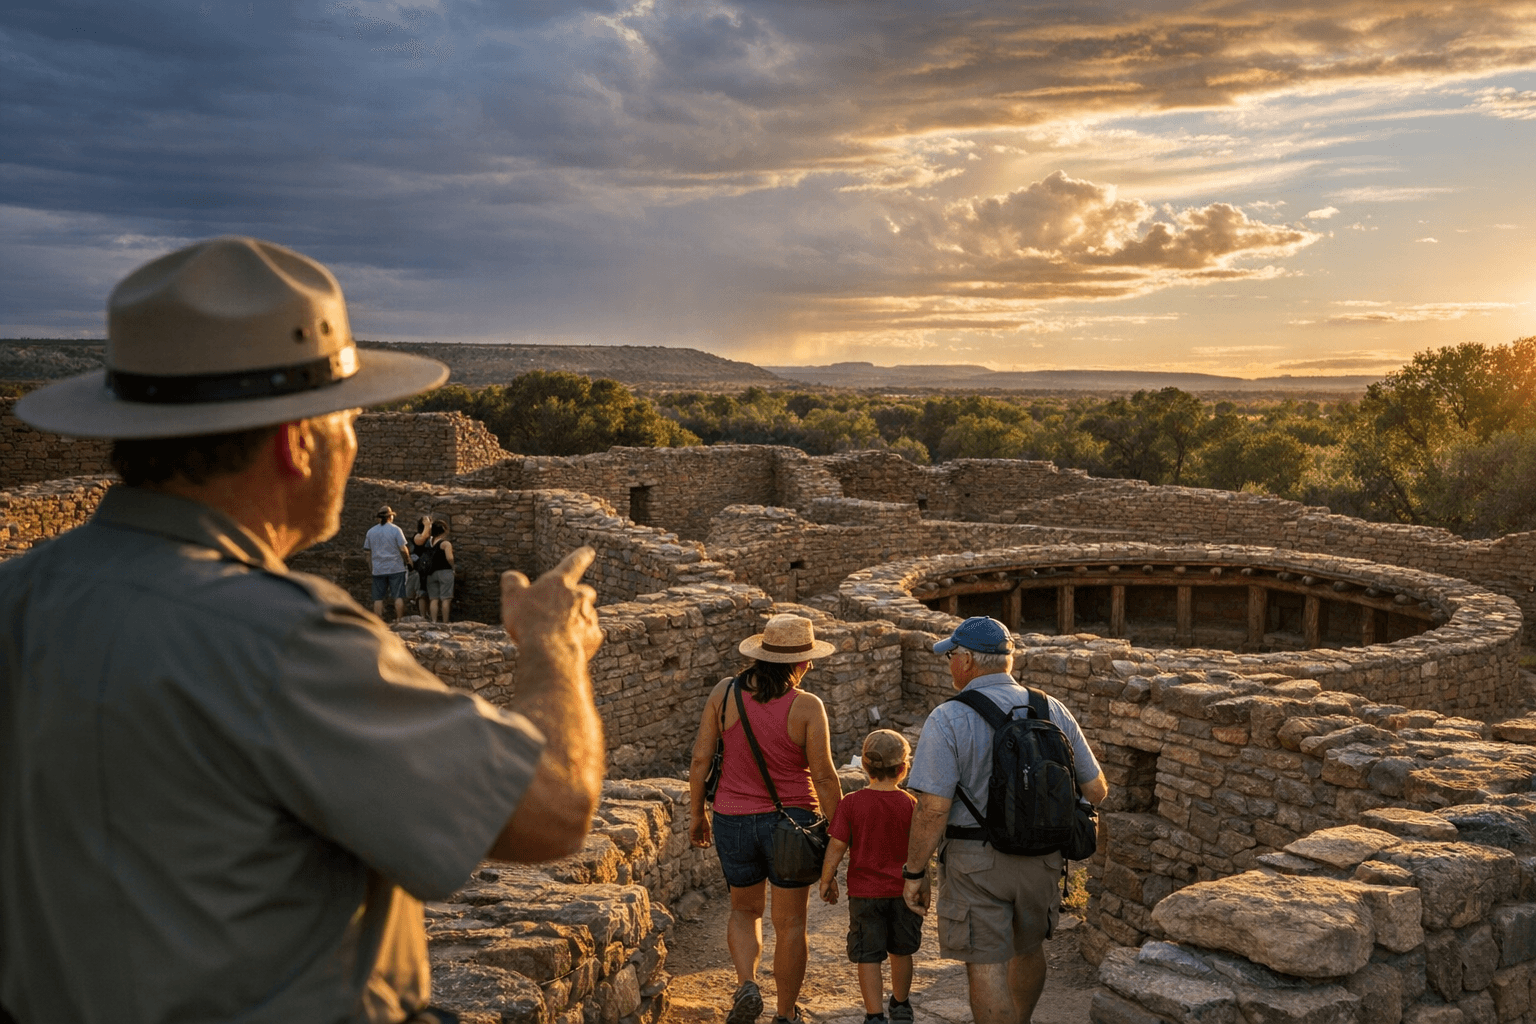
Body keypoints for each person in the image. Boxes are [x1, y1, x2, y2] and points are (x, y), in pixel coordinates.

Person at [2, 236, 607, 1024]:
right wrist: (553, 649)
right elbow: (554, 810)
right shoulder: (276, 638)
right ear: (297, 441)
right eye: (347, 420)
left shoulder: (20, 598)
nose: (353, 445)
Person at [901, 616, 1108, 1024]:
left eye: (951, 656)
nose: (949, 665)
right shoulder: (1051, 708)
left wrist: (914, 871)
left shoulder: (948, 718)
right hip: (1042, 857)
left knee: (985, 963)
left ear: (966, 661)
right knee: (1028, 950)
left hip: (975, 859)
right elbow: (1097, 789)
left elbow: (933, 808)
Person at [688, 614, 844, 1024]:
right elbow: (825, 776)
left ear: (759, 656)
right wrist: (841, 831)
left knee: (744, 910)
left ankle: (746, 984)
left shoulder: (725, 694)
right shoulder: (807, 706)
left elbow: (702, 758)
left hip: (731, 817)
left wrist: (695, 815)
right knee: (791, 923)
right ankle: (785, 1013)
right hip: (791, 823)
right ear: (803, 663)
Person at [818, 730, 921, 1024]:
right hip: (902, 892)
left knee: (868, 955)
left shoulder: (851, 803)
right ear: (903, 769)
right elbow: (920, 849)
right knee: (901, 951)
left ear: (864, 766)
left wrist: (827, 879)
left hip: (865, 895)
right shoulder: (910, 804)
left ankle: (874, 1015)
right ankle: (901, 1005)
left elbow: (836, 845)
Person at [365, 504, 412, 620]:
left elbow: (367, 553)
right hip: (396, 567)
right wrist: (408, 561)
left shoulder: (371, 532)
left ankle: (378, 622)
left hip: (378, 568)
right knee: (398, 596)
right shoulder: (396, 530)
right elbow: (403, 549)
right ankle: (399, 619)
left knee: (378, 598)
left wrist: (371, 567)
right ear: (390, 517)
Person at [425, 518, 455, 623]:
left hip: (430, 573)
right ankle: (445, 622)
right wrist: (453, 567)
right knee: (445, 599)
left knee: (434, 599)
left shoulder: (429, 543)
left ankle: (434, 621)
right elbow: (449, 558)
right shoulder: (445, 544)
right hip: (445, 572)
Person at [407, 516, 432, 619]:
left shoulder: (431, 537)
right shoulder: (417, 536)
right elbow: (422, 538)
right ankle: (422, 616)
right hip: (420, 569)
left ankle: (427, 614)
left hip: (429, 568)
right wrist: (427, 525)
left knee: (428, 593)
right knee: (422, 593)